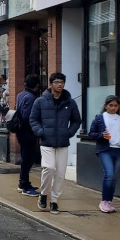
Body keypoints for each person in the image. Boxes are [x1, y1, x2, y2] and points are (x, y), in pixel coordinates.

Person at [29, 71, 82, 214]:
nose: (60, 85)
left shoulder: (69, 102)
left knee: (60, 173)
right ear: (51, 84)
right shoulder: (40, 101)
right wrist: (40, 132)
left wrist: (69, 132)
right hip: (46, 141)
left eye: (62, 82)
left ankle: (54, 201)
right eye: (57, 82)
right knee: (49, 168)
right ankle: (44, 194)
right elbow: (33, 119)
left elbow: (77, 120)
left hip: (63, 142)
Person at [87, 95, 120, 213]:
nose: (113, 108)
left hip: (118, 150)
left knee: (114, 177)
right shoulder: (100, 118)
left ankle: (109, 201)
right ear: (106, 106)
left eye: (115, 106)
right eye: (110, 105)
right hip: (105, 149)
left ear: (119, 106)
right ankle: (104, 201)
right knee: (109, 174)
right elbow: (91, 133)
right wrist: (102, 135)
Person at [13, 74, 42, 196]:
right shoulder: (31, 97)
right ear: (37, 86)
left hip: (21, 131)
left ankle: (23, 183)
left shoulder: (21, 94)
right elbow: (27, 116)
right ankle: (24, 185)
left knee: (26, 158)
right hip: (27, 132)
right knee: (28, 158)